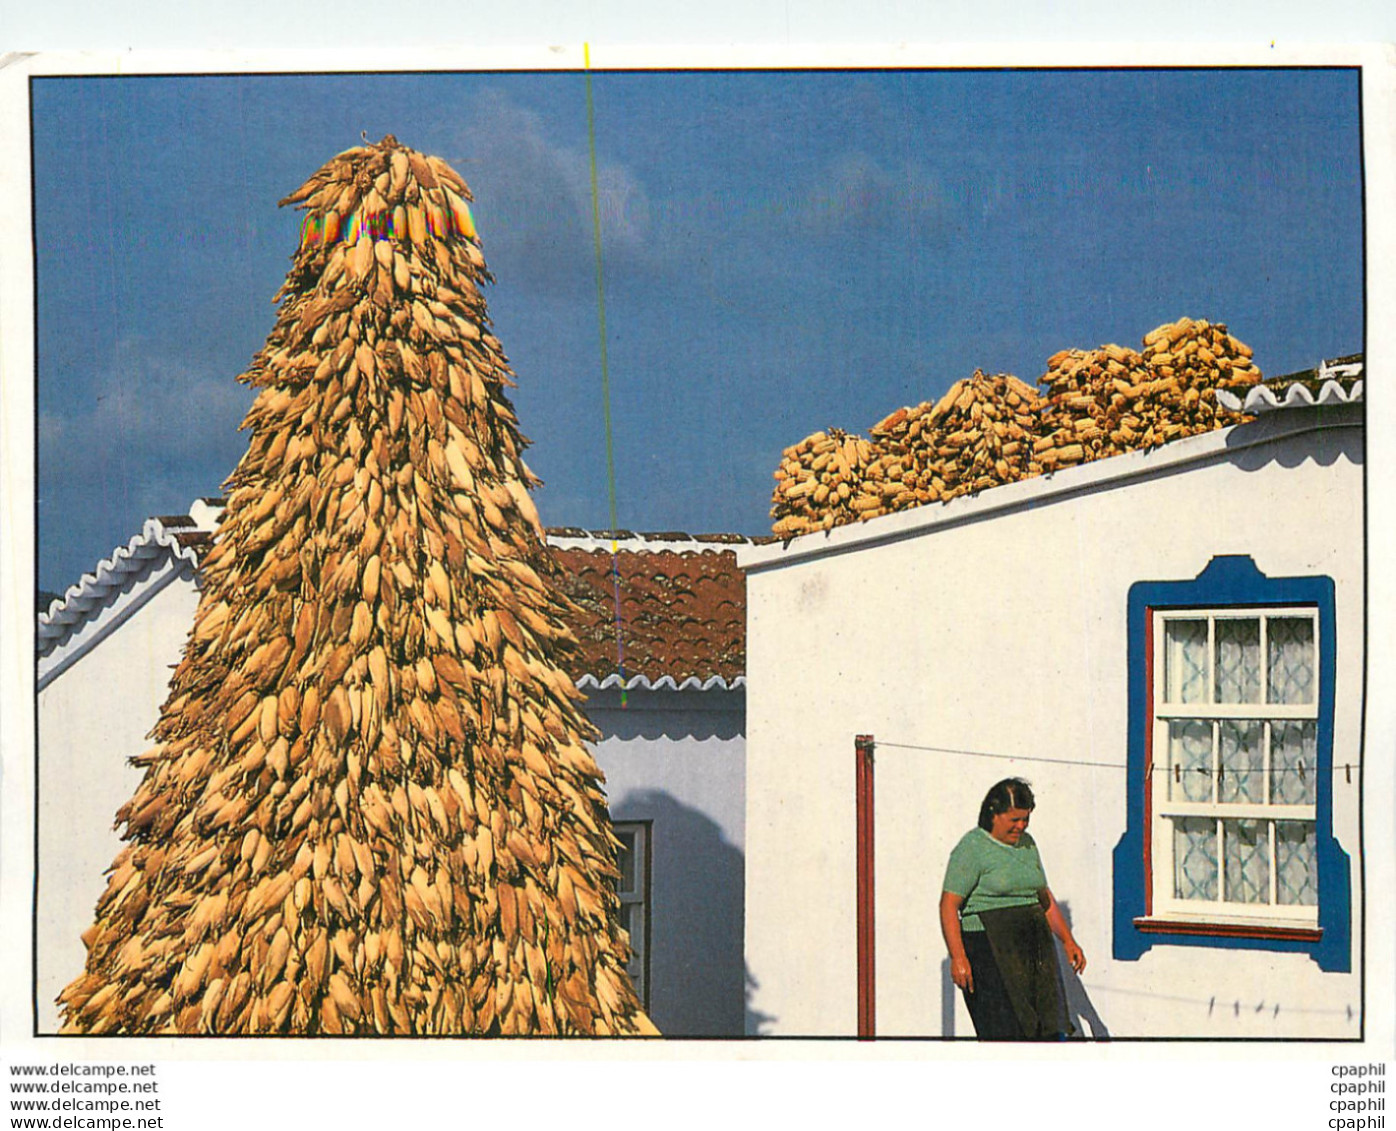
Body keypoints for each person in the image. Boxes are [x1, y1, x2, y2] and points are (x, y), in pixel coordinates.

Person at [939, 778, 1086, 1039]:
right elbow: (949, 905)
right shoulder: (971, 848)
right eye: (1014, 819)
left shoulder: (1028, 845)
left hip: (1034, 947)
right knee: (1006, 1034)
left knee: (1047, 1029)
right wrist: (958, 957)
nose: (1021, 826)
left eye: (1025, 819)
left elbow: (1044, 897)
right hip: (988, 948)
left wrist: (1068, 941)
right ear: (993, 814)